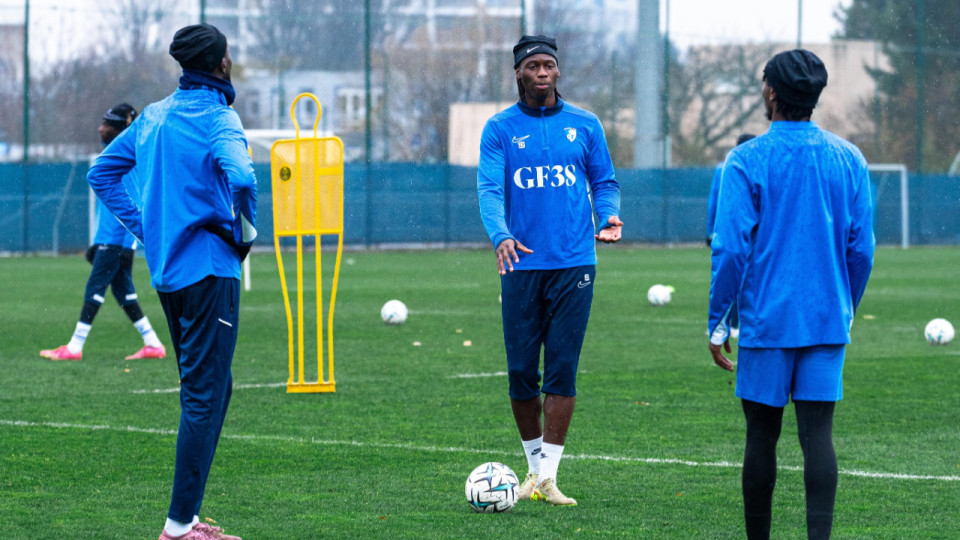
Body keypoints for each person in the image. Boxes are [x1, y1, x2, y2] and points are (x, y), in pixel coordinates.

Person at [87, 23, 256, 540]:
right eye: (229, 55)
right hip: (209, 268)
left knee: (213, 388)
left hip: (169, 273)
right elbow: (244, 177)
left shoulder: (154, 116)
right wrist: (244, 231)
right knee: (205, 395)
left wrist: (147, 227)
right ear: (221, 64)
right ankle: (179, 527)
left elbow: (102, 174)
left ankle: (189, 519)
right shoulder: (219, 117)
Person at [707, 49, 875, 540]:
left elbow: (731, 249)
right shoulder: (849, 158)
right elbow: (861, 249)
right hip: (825, 321)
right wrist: (843, 306)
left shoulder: (746, 159)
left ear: (771, 92)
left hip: (766, 323)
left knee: (762, 436)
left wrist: (720, 322)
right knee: (818, 438)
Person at [477, 35, 623, 507]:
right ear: (518, 73)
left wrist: (610, 215)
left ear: (558, 71)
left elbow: (604, 181)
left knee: (561, 368)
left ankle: (547, 478)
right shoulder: (499, 129)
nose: (543, 72)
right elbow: (489, 190)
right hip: (519, 263)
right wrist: (500, 234)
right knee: (522, 372)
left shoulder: (585, 124)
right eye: (533, 66)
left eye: (549, 65)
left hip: (575, 263)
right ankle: (534, 467)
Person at [40, 104, 166, 362]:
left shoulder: (125, 158)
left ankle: (75, 346)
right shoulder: (121, 154)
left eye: (106, 124)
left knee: (94, 287)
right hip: (114, 238)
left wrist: (114, 242)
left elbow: (129, 202)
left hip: (117, 238)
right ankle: (152, 343)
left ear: (121, 128)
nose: (100, 128)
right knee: (123, 292)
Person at [706, 133, 755, 248]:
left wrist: (710, 231)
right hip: (752, 228)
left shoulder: (724, 168)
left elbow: (713, 202)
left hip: (729, 226)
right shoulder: (759, 168)